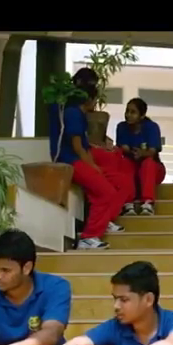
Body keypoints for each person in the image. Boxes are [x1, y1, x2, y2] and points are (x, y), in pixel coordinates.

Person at [48, 70, 131, 250]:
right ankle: (88, 237)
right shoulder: (71, 111)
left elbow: (82, 143)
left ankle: (105, 220)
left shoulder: (77, 111)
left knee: (122, 179)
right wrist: (93, 167)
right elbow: (77, 146)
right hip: (70, 160)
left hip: (80, 155)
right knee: (106, 192)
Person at [115, 98, 166, 216]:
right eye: (127, 111)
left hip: (152, 171)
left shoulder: (152, 127)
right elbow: (124, 148)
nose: (128, 115)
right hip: (132, 171)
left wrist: (142, 154)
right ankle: (128, 203)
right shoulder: (122, 127)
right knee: (125, 163)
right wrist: (133, 153)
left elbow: (152, 151)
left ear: (142, 115)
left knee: (148, 163)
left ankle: (148, 203)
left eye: (133, 112)